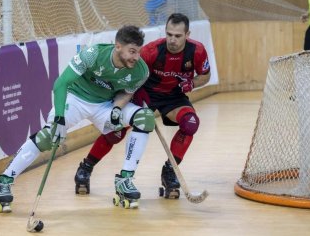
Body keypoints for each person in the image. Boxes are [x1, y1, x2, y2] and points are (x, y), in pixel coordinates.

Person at [0, 25, 155, 212]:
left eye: (138, 52)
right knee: (48, 136)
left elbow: (126, 93)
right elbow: (61, 83)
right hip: (76, 98)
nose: (136, 57)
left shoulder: (140, 71)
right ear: (118, 46)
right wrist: (60, 118)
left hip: (105, 106)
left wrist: (117, 108)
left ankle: (125, 180)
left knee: (145, 118)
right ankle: (3, 181)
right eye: (132, 51)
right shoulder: (93, 54)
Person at [74, 13, 210, 199]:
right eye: (169, 34)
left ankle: (169, 171)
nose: (172, 40)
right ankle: (86, 167)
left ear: (188, 34)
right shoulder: (152, 51)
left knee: (190, 124)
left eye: (178, 36)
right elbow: (129, 74)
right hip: (145, 92)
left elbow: (205, 76)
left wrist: (192, 83)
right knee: (116, 132)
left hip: (174, 97)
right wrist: (135, 95)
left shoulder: (197, 51)